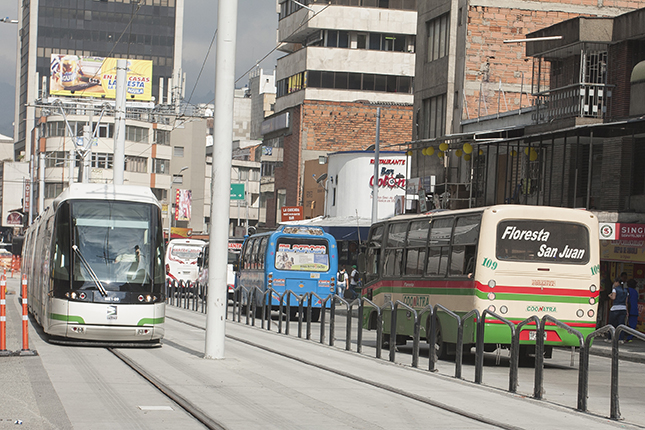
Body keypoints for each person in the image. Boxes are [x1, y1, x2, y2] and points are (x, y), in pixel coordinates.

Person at [608, 272, 628, 341]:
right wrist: (627, 311)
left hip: (615, 309)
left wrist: (610, 295)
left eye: (615, 282)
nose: (614, 283)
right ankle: (621, 339)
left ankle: (610, 338)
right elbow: (626, 302)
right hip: (623, 309)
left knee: (612, 324)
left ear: (617, 282)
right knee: (621, 325)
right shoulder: (625, 290)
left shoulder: (615, 289)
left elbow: (613, 298)